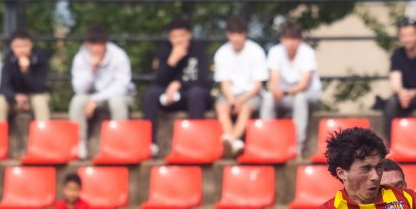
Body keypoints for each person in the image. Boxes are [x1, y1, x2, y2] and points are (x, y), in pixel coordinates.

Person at [144, 17, 212, 151]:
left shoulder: (198, 49)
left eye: (182, 35)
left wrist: (178, 84)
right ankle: (150, 143)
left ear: (189, 35)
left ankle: (196, 142)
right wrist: (172, 61)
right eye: (174, 36)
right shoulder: (164, 50)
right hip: (169, 97)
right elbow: (159, 80)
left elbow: (203, 79)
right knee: (151, 94)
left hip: (191, 95)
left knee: (196, 94)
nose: (178, 40)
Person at [68, 26, 134, 160]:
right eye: (93, 45)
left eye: (100, 44)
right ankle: (79, 144)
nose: (96, 49)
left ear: (105, 44)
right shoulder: (80, 58)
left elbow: (122, 85)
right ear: (87, 45)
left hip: (117, 96)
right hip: (91, 96)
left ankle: (119, 144)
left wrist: (96, 99)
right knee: (77, 101)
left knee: (117, 102)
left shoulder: (119, 55)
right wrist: (91, 71)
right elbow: (79, 89)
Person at [261, 20, 322, 156]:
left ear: (299, 40)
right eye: (287, 39)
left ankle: (297, 146)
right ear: (281, 39)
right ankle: (265, 142)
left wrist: (284, 91)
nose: (290, 43)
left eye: (293, 39)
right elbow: (274, 78)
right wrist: (275, 89)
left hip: (309, 95)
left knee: (300, 98)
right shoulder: (275, 52)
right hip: (286, 96)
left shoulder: (307, 53)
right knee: (268, 97)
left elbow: (304, 84)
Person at [213, 16, 268, 156]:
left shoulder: (256, 51)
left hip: (251, 95)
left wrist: (240, 100)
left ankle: (231, 139)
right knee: (221, 106)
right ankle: (235, 142)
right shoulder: (221, 53)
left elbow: (257, 86)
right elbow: (224, 83)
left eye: (239, 34)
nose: (236, 38)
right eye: (232, 34)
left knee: (246, 108)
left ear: (245, 34)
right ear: (228, 35)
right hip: (230, 95)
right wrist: (231, 99)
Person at [0, 30, 49, 124]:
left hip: (34, 97)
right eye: (17, 46)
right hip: (15, 99)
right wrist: (14, 96)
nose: (22, 50)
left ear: (31, 45)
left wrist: (26, 71)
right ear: (12, 47)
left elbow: (40, 87)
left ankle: (44, 137)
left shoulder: (39, 58)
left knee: (40, 100)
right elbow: (4, 86)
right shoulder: (9, 59)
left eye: (25, 46)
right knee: (1, 100)